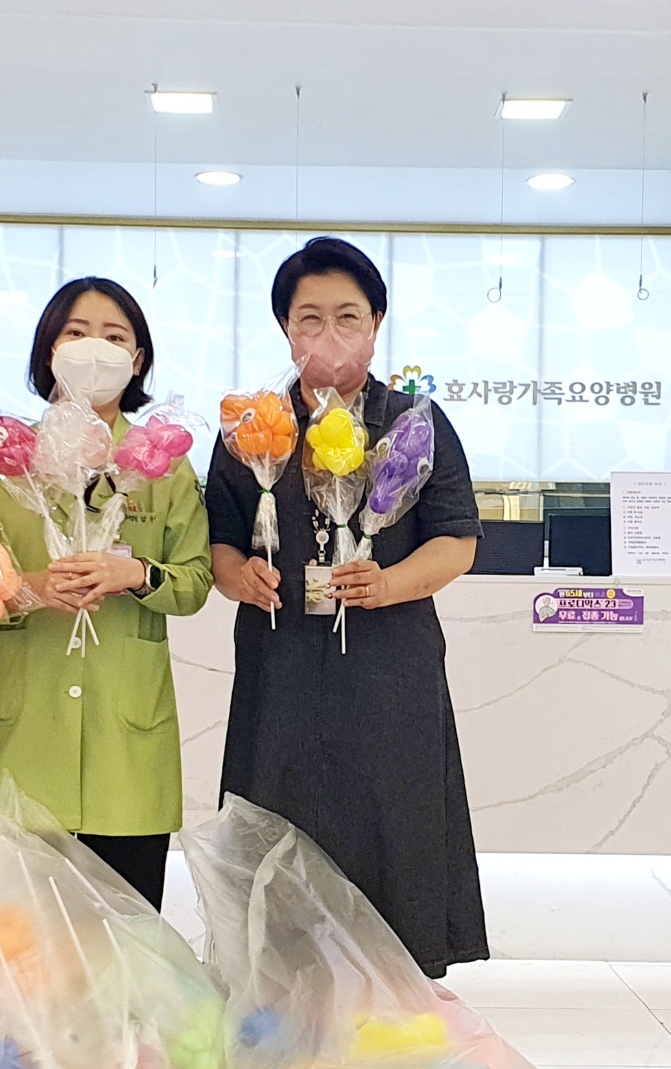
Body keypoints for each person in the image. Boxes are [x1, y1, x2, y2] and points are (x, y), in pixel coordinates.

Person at [204, 237, 487, 978]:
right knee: (277, 829)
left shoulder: (416, 422)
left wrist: (388, 583)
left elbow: (457, 541)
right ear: (284, 328)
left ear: (376, 322)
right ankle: (278, 1016)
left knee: (392, 832)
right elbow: (219, 544)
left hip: (389, 672)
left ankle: (396, 1012)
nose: (328, 333)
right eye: (309, 318)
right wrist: (239, 577)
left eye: (347, 316)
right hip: (281, 669)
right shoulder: (251, 429)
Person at [0, 278, 212, 910]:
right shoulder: (6, 460)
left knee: (129, 935)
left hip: (126, 745)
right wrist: (29, 588)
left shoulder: (163, 462)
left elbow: (195, 581)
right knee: (24, 940)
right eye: (76, 333)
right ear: (49, 350)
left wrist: (138, 575)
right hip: (29, 736)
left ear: (138, 360)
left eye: (115, 337)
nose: (94, 348)